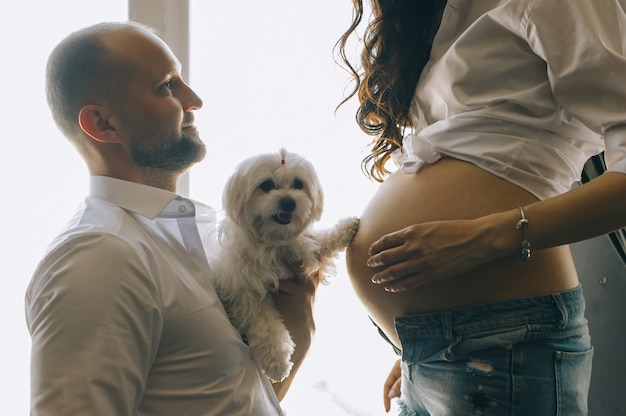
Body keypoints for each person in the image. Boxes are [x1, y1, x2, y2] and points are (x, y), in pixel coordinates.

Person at [338, 1, 626, 415]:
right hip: (432, 354)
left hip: (507, 348)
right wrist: (419, 345)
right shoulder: (435, 16)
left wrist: (482, 239)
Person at [25, 21, 318, 416]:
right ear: (103, 124)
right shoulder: (97, 256)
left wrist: (299, 327)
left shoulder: (201, 231)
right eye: (167, 86)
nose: (194, 99)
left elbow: (224, 402)